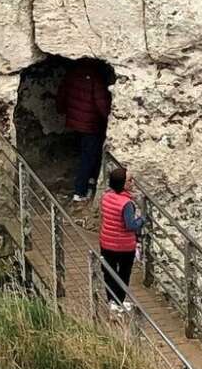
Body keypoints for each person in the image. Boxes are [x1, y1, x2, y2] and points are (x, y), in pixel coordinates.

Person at [57, 60, 112, 201]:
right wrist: (109, 119)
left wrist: (63, 111)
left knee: (85, 153)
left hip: (75, 122)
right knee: (89, 156)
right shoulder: (95, 78)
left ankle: (91, 179)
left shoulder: (72, 74)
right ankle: (79, 191)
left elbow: (62, 94)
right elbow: (101, 103)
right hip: (91, 124)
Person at [99, 164, 145, 313]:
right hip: (124, 245)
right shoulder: (127, 204)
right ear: (123, 184)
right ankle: (119, 301)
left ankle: (111, 301)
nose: (132, 183)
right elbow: (130, 225)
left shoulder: (106, 197)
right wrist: (142, 219)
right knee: (123, 273)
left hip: (106, 242)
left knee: (109, 272)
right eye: (130, 180)